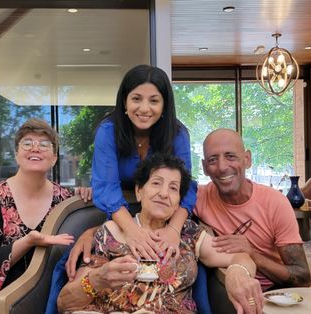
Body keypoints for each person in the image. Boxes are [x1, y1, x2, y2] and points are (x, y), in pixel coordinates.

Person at [57, 154, 263, 314]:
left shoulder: (188, 234)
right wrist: (98, 279)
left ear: (177, 203)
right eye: (156, 183)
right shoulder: (110, 233)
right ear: (139, 191)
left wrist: (237, 272)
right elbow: (64, 302)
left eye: (173, 188)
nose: (164, 193)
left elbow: (240, 256)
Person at [66, 64, 196, 279]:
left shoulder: (178, 134)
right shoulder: (108, 131)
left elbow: (186, 188)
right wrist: (133, 232)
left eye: (154, 100)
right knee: (80, 260)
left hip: (166, 215)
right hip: (118, 214)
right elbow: (107, 189)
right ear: (125, 100)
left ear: (164, 104)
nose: (144, 108)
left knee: (189, 268)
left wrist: (173, 231)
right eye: (137, 98)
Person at [0, 119, 75, 313]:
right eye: (28, 143)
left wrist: (87, 196)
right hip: (1, 297)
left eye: (44, 144)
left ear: (54, 157)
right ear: (16, 155)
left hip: (50, 294)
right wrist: (28, 242)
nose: (35, 149)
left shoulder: (65, 199)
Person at [195, 128, 311, 292]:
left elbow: (303, 277)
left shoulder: (274, 203)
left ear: (247, 159)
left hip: (275, 291)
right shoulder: (198, 196)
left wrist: (252, 253)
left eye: (230, 156)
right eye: (213, 160)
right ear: (205, 167)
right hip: (226, 289)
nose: (222, 167)